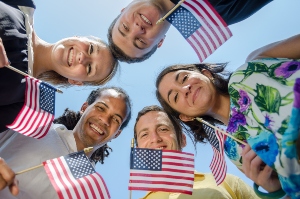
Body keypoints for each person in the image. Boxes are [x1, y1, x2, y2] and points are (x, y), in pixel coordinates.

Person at [155, 34, 300, 198]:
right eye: (175, 97)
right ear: (186, 117)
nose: (185, 89)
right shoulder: (236, 151)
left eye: (184, 78)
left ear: (206, 74)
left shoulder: (254, 62)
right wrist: (275, 189)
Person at [0, 0, 119, 133]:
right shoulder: (25, 6)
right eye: (91, 48)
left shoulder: (21, 102)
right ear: (78, 37)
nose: (83, 57)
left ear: (75, 81)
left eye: (89, 68)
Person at [0, 86, 132, 198]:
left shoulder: (88, 190)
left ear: (117, 134)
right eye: (101, 108)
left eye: (115, 119)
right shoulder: (34, 126)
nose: (105, 120)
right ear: (84, 107)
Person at [134, 105, 261, 199]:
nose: (155, 138)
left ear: (183, 140)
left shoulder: (228, 182)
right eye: (144, 134)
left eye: (163, 129)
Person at [107, 0, 272, 63]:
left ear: (123, 10)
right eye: (141, 42)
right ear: (161, 41)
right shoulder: (217, 14)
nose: (137, 29)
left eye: (125, 28)